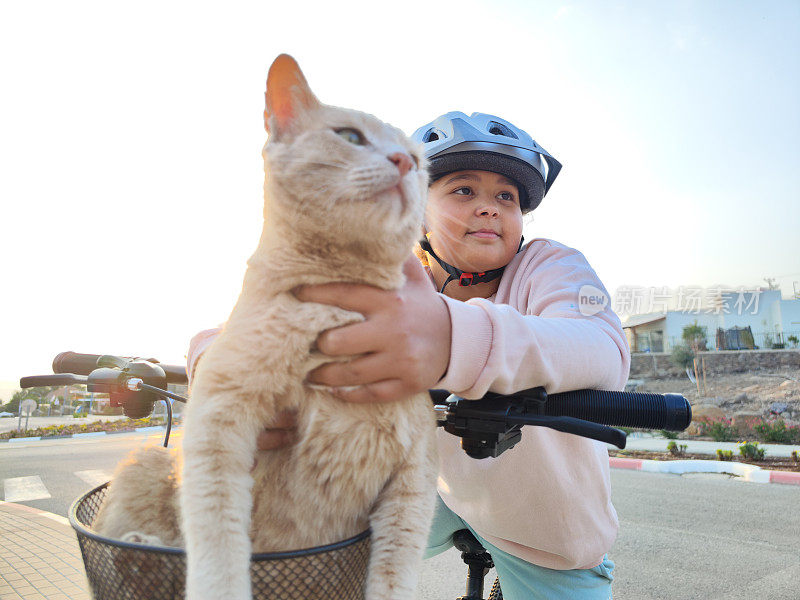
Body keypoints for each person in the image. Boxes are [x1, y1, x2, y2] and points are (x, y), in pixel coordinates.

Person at [187, 111, 629, 599]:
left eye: (506, 196)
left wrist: (447, 339)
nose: (490, 208)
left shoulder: (550, 265)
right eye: (464, 190)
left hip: (546, 527)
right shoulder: (387, 273)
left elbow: (601, 345)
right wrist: (219, 367)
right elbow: (254, 323)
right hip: (438, 493)